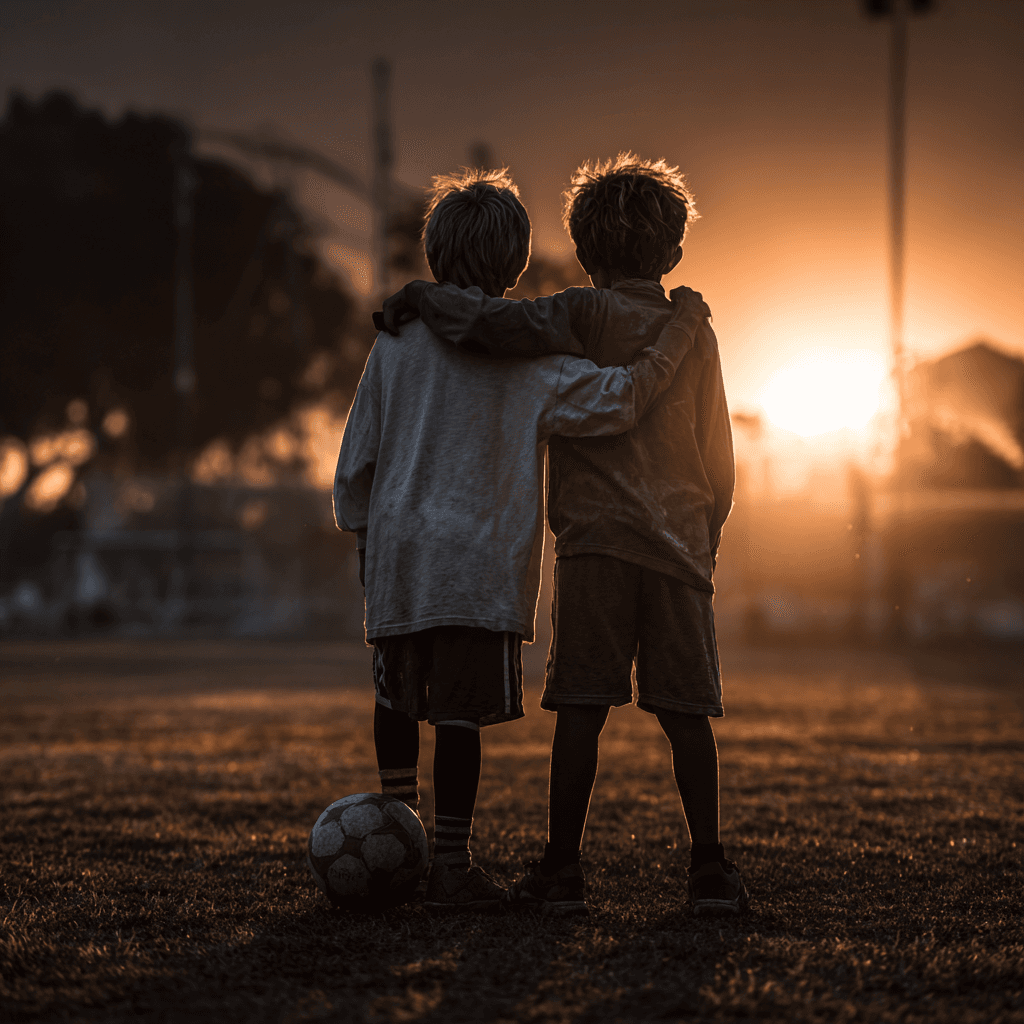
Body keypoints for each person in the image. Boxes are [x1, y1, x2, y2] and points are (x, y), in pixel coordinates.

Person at [334, 167, 711, 913]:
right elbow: (621, 402)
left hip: (402, 556)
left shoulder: (395, 345)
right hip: (479, 566)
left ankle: (394, 828)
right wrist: (675, 338)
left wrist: (361, 531)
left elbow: (359, 457)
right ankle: (449, 864)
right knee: (458, 716)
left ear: (435, 253)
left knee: (398, 701)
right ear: (515, 265)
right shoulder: (531, 360)